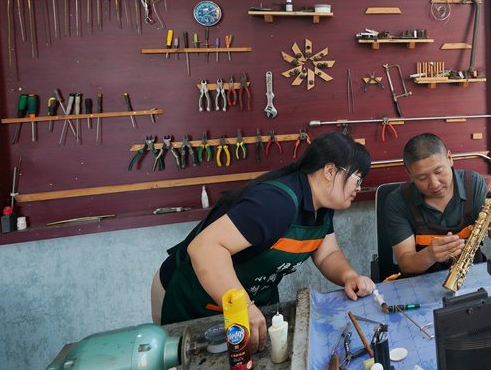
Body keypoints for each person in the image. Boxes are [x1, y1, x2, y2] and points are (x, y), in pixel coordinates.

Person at [151, 132, 375, 350]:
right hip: (192, 297)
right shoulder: (277, 203)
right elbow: (204, 249)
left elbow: (327, 254)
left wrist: (349, 276)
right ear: (329, 171)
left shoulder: (322, 207)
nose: (359, 187)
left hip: (250, 301)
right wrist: (243, 307)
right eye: (357, 178)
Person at [385, 133, 491, 276]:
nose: (434, 184)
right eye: (422, 178)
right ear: (410, 174)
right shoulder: (398, 201)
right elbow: (406, 265)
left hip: (471, 274)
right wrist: (430, 255)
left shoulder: (472, 183)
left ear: (449, 158)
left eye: (438, 171)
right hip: (422, 279)